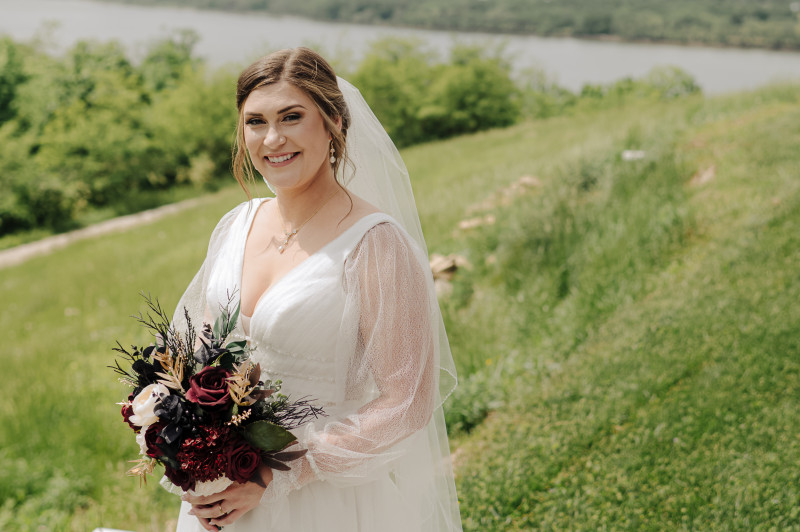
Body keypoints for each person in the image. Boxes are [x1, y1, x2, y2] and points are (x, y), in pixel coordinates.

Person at [167, 47, 462, 531]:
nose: (273, 138)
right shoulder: (236, 224)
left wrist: (277, 475)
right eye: (255, 122)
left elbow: (407, 401)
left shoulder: (376, 243)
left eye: (292, 117)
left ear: (334, 124)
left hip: (324, 502)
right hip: (220, 498)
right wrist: (170, 424)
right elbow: (197, 356)